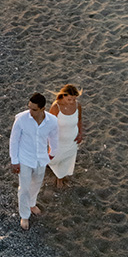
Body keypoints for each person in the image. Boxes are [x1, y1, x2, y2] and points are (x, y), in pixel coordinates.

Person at [9, 92, 59, 229]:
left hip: (41, 159)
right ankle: (24, 215)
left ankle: (31, 204)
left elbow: (54, 137)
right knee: (24, 188)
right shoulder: (21, 119)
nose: (30, 111)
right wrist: (14, 160)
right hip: (24, 158)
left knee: (37, 183)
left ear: (43, 109)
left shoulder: (52, 121)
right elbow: (14, 140)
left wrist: (53, 152)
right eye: (29, 107)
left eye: (34, 109)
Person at [47, 84, 83, 189]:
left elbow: (79, 119)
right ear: (63, 96)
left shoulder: (78, 105)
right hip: (59, 140)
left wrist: (80, 133)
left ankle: (60, 178)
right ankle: (50, 165)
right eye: (69, 99)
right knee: (55, 157)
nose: (72, 102)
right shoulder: (55, 107)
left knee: (68, 158)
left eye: (74, 99)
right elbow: (49, 125)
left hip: (72, 138)